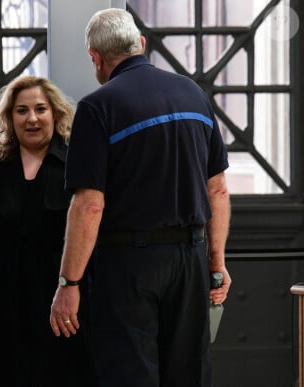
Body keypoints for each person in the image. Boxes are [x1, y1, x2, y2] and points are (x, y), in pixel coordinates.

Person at [49, 8, 231, 387]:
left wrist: (69, 284)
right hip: (190, 259)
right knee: (190, 373)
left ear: (95, 58)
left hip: (128, 265)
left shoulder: (98, 107)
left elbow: (89, 205)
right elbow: (218, 189)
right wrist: (216, 263)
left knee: (129, 373)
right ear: (141, 45)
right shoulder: (194, 94)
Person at [0, 75, 96, 387]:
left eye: (41, 109)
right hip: (1, 299)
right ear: (10, 118)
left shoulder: (78, 166)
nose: (32, 118)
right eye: (22, 111)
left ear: (55, 113)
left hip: (62, 297)